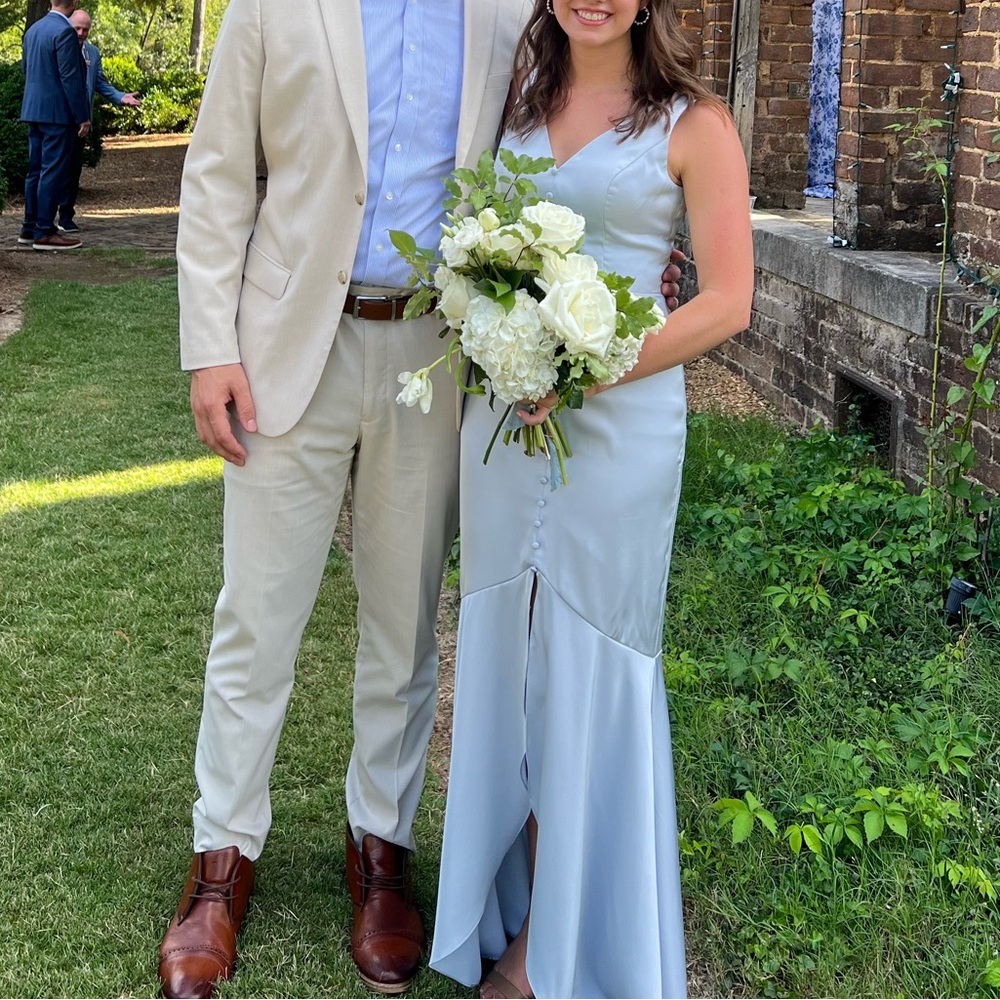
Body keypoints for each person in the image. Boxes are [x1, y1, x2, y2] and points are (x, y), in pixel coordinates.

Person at [157, 1, 683, 997]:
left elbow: (559, 147)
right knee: (255, 622)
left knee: (402, 630)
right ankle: (219, 865)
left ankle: (381, 856)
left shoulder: (506, 15)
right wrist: (211, 349)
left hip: (435, 357)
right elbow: (220, 171)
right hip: (281, 356)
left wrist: (626, 251)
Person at [428, 1, 755, 997]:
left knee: (582, 661)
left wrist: (587, 367)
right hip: (504, 420)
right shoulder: (517, 102)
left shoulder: (692, 123)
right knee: (511, 654)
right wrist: (494, 329)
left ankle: (551, 950)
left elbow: (727, 301)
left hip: (615, 429)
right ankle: (501, 899)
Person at [56, 9, 141, 235]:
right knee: (55, 171)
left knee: (73, 171)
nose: (81, 33)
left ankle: (66, 216)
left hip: (81, 124)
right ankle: (42, 219)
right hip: (59, 120)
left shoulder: (92, 53)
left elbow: (101, 83)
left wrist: (120, 97)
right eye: (77, 29)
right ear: (68, 27)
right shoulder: (58, 47)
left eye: (85, 29)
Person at [18, 0, 91, 251]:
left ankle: (29, 227)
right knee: (52, 171)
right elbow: (70, 78)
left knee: (35, 170)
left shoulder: (33, 31)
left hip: (32, 109)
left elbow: (26, 68)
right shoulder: (65, 33)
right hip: (57, 113)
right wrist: (82, 116)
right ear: (74, 3)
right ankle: (45, 231)